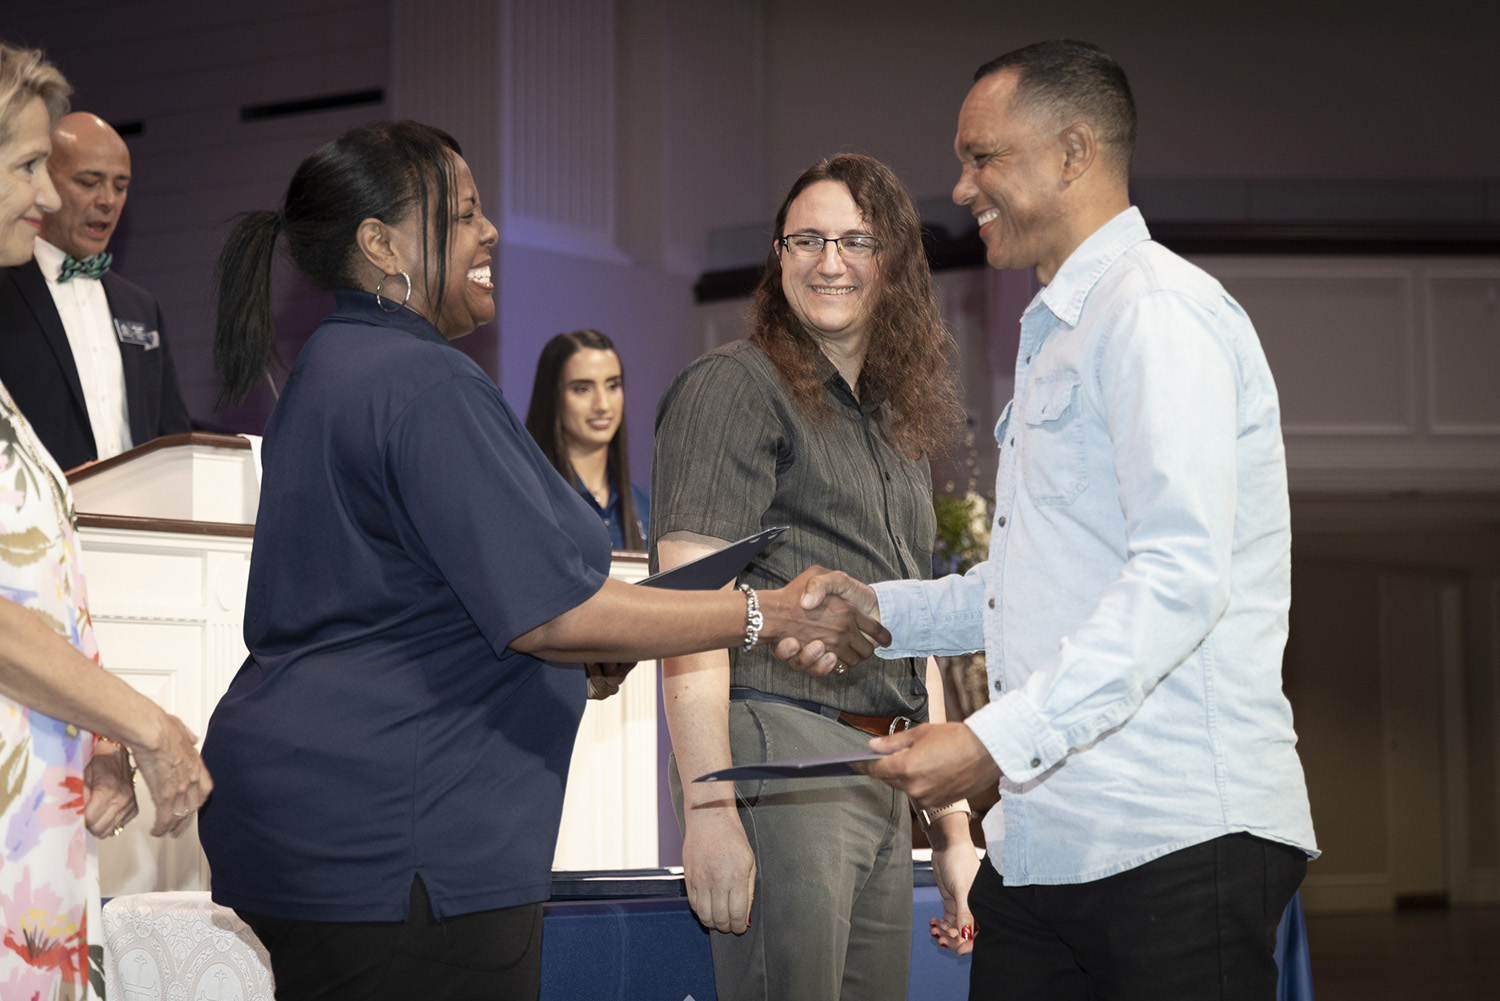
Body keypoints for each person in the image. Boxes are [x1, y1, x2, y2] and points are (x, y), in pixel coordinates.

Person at [196, 119, 887, 1001]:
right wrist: (769, 612)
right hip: (404, 843)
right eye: (464, 214)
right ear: (380, 244)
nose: (490, 233)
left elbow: (428, 598)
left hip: (324, 824)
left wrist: (577, 655)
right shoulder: (424, 381)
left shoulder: (336, 364)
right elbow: (552, 611)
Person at [785, 41, 1318, 1001]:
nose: (960, 186)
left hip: (1174, 835)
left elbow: (1179, 575)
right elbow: (1034, 584)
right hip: (1046, 849)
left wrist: (991, 740)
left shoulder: (1157, 312)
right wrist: (878, 609)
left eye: (983, 156)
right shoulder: (1061, 327)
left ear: (1073, 153)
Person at [650, 152, 979, 1001]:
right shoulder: (732, 388)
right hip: (783, 754)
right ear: (778, 254)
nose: (828, 261)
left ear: (894, 264)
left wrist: (950, 827)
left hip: (884, 771)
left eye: (854, 240)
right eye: (806, 239)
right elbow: (684, 613)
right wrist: (711, 808)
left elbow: (917, 625)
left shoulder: (895, 425)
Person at [0, 41, 212, 1001]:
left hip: (39, 825)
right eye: (26, 166)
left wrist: (99, 732)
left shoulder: (136, 306)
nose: (46, 198)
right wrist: (148, 724)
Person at [0, 109, 191, 471]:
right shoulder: (6, 288)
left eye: (120, 186)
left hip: (134, 521)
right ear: (44, 182)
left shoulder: (140, 306)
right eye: (89, 182)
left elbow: (172, 437)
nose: (108, 200)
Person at [525, 328, 649, 551]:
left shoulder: (647, 506)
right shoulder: (530, 501)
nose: (602, 405)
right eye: (582, 389)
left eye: (612, 386)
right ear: (552, 397)